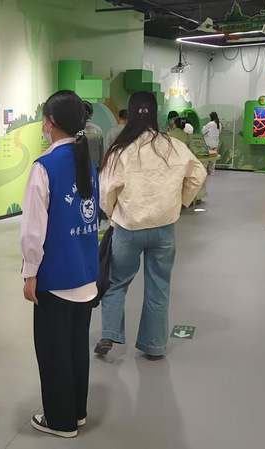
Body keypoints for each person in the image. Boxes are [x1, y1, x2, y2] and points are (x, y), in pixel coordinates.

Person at [94, 91, 206, 359]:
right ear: (155, 113)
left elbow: (106, 188)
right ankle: (154, 345)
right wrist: (179, 202)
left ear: (130, 113)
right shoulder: (173, 146)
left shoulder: (121, 149)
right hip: (163, 228)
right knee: (158, 286)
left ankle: (109, 334)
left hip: (128, 227)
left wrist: (113, 212)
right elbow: (198, 173)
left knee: (116, 281)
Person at [22, 90, 99, 439]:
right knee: (77, 348)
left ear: (51, 123)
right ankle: (78, 412)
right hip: (85, 275)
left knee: (53, 353)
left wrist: (30, 273)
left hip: (55, 278)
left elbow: (33, 231)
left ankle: (60, 420)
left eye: (44, 119)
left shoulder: (45, 166)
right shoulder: (88, 162)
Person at [83, 101, 104, 169]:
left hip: (77, 170)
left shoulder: (73, 130)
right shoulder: (98, 130)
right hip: (94, 169)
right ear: (91, 114)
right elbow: (101, 155)